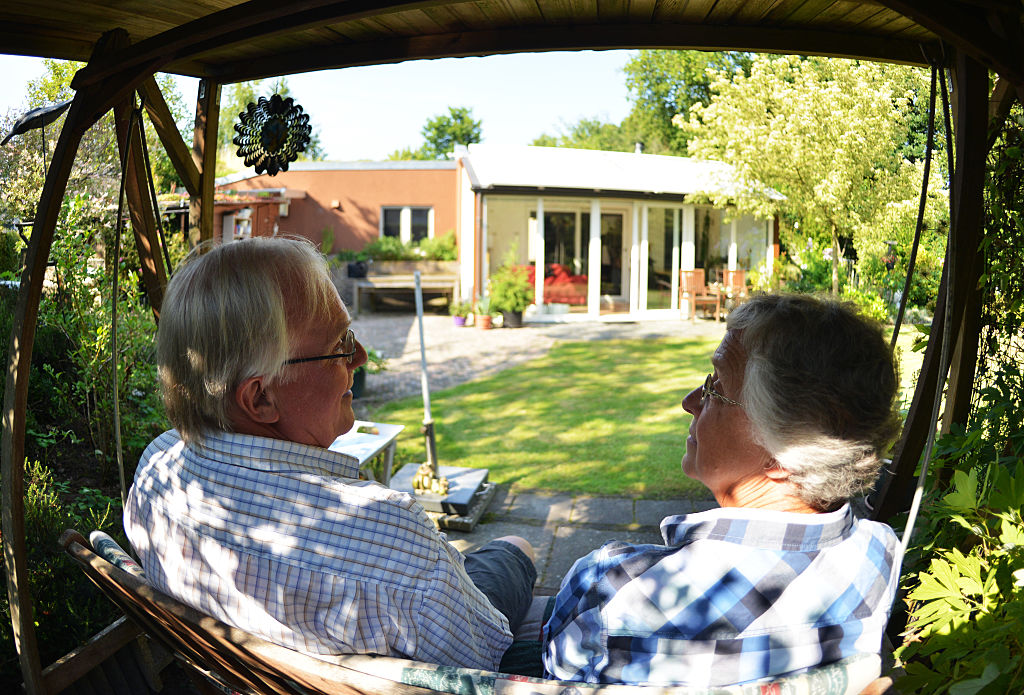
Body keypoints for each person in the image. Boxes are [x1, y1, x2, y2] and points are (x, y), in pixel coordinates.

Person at [125, 236, 536, 670]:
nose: (360, 357)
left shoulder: (157, 467)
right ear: (261, 399)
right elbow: (481, 657)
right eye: (339, 344)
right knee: (517, 546)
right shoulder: (389, 533)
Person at [543, 293, 902, 687]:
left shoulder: (614, 590)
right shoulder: (879, 554)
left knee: (509, 556)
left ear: (783, 456)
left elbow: (551, 675)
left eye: (716, 388)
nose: (690, 402)